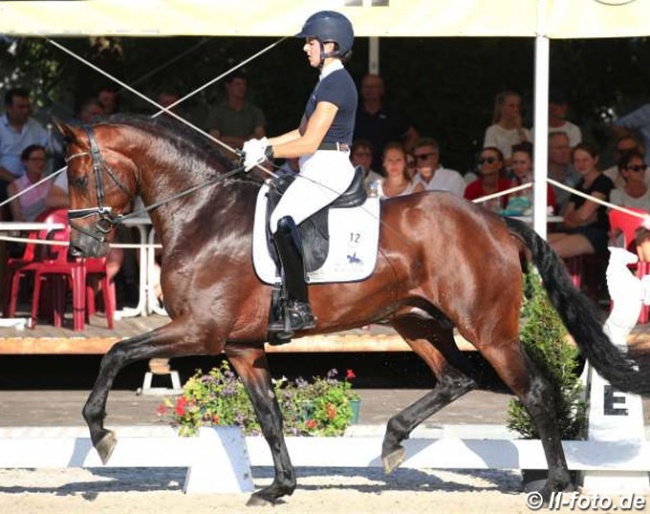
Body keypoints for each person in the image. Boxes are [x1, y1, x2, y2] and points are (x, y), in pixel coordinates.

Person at [241, 10, 357, 340]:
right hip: (315, 165)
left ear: (330, 45)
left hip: (328, 168)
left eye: (310, 42)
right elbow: (299, 131)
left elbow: (310, 142)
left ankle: (299, 306)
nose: (305, 48)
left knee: (282, 219)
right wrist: (262, 143)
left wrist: (268, 153)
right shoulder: (326, 82)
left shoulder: (337, 83)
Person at [548, 142, 614, 258]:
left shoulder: (603, 182)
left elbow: (582, 215)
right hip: (577, 231)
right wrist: (583, 220)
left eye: (585, 160)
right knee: (533, 246)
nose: (581, 164)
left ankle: (558, 276)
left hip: (597, 234)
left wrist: (579, 218)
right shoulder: (579, 184)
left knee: (549, 251)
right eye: (577, 160)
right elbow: (567, 220)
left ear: (595, 160)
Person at [0, 88, 55, 217]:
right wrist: (18, 182)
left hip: (34, 178)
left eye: (27, 106)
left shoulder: (35, 126)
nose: (25, 110)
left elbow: (49, 149)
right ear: (9, 108)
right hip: (5, 178)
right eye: (20, 107)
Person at [353, 73, 419, 172]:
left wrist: (401, 154)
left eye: (374, 87)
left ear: (381, 90)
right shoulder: (353, 113)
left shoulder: (392, 114)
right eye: (366, 87)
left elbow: (413, 136)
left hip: (386, 168)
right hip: (358, 167)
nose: (369, 90)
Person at [209, 71, 266, 160]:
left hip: (250, 154)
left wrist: (227, 139)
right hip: (228, 154)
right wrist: (242, 141)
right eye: (237, 84)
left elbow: (262, 140)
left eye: (244, 84)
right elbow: (214, 141)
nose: (242, 87)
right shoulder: (218, 111)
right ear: (228, 86)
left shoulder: (254, 111)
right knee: (229, 151)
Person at [483, 90, 531, 168]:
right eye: (511, 106)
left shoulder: (525, 132)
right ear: (501, 107)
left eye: (517, 106)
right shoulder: (492, 131)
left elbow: (529, 154)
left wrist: (519, 129)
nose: (515, 110)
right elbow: (490, 159)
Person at [507, 142, 556, 214]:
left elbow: (549, 210)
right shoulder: (511, 182)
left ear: (532, 163)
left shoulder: (541, 184)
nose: (518, 167)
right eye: (515, 162)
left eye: (522, 162)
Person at [6, 144, 51, 222]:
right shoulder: (14, 186)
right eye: (35, 159)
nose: (40, 163)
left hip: (49, 224)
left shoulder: (51, 183)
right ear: (25, 162)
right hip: (26, 227)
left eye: (42, 159)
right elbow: (17, 216)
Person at [464, 147, 511, 212]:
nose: (485, 164)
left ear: (500, 164)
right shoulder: (471, 188)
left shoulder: (509, 187)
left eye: (490, 160)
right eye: (482, 161)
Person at [547, 131, 581, 213]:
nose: (564, 152)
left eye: (566, 147)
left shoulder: (578, 174)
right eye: (559, 148)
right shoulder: (536, 175)